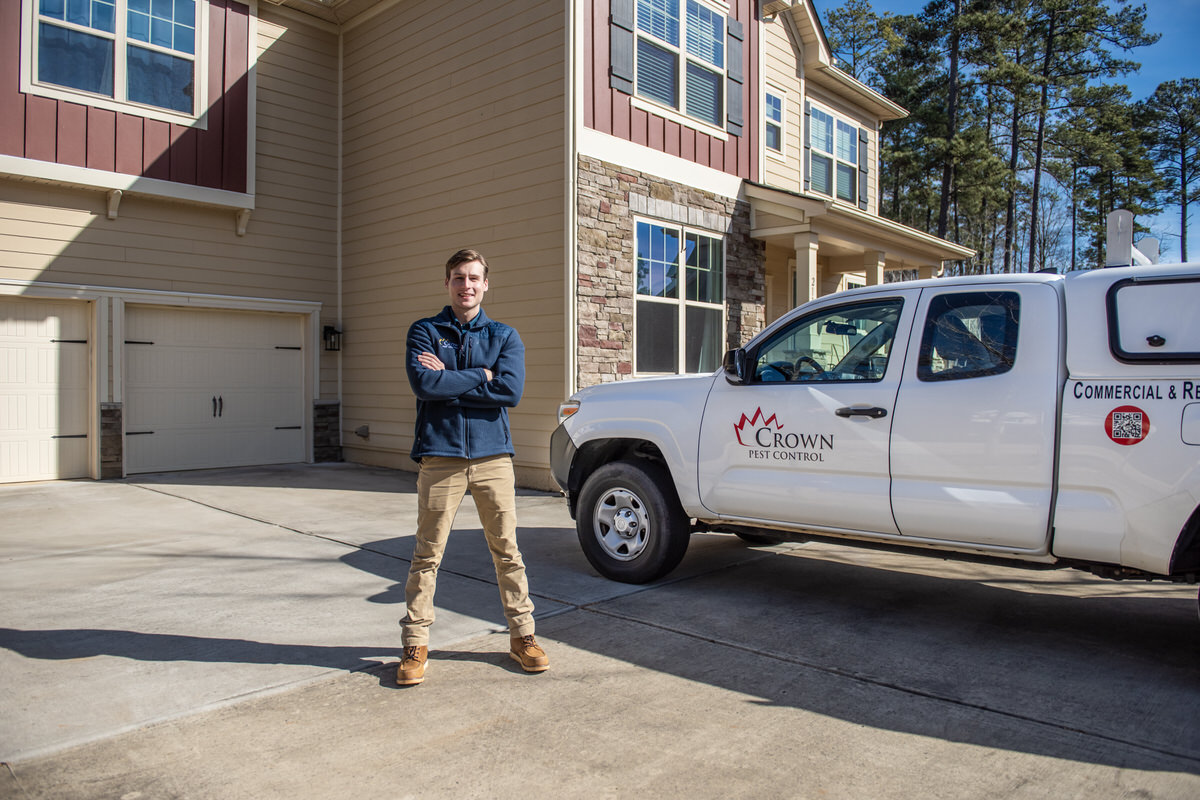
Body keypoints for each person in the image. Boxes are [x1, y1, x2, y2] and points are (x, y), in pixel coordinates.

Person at [397, 248, 548, 685]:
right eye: (459, 277)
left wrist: (452, 379)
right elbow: (424, 384)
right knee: (427, 554)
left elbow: (510, 392)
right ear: (447, 283)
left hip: (492, 459)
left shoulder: (505, 336)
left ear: (486, 285)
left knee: (508, 552)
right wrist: (481, 375)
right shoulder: (425, 330)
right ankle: (415, 642)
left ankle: (523, 637)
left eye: (474, 278)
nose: (467, 285)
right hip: (440, 456)